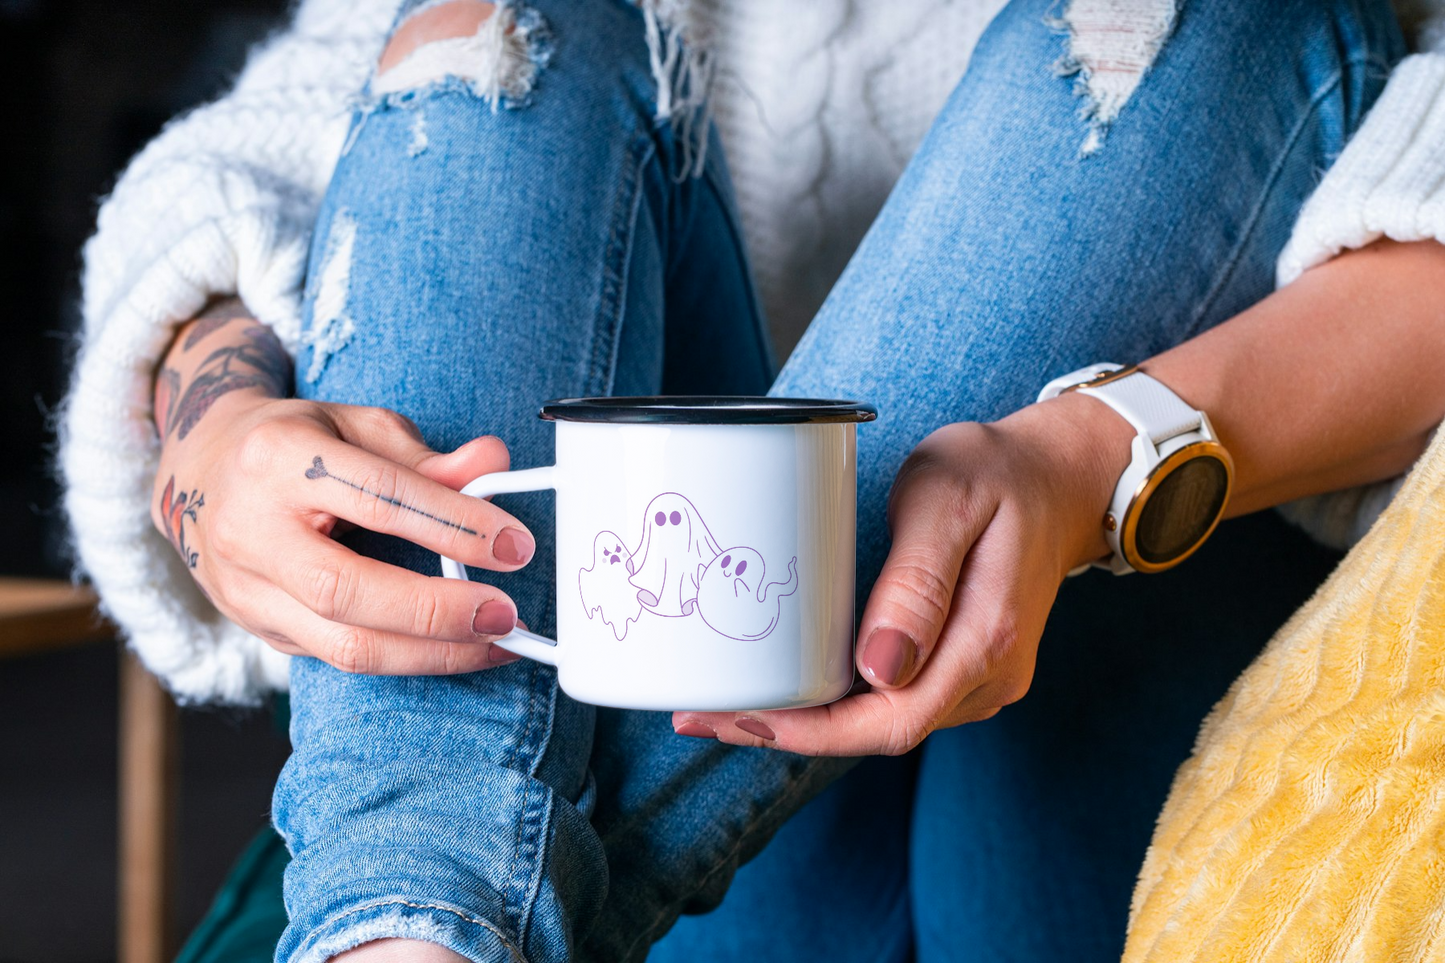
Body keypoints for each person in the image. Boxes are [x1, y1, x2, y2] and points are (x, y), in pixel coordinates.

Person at [62, 0, 1445, 960]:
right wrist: (216, 419)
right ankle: (415, 926)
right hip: (739, 830)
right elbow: (292, 138)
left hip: (1097, 698)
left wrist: (1095, 460)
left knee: (1202, 22)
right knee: (488, 38)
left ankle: (451, 923)